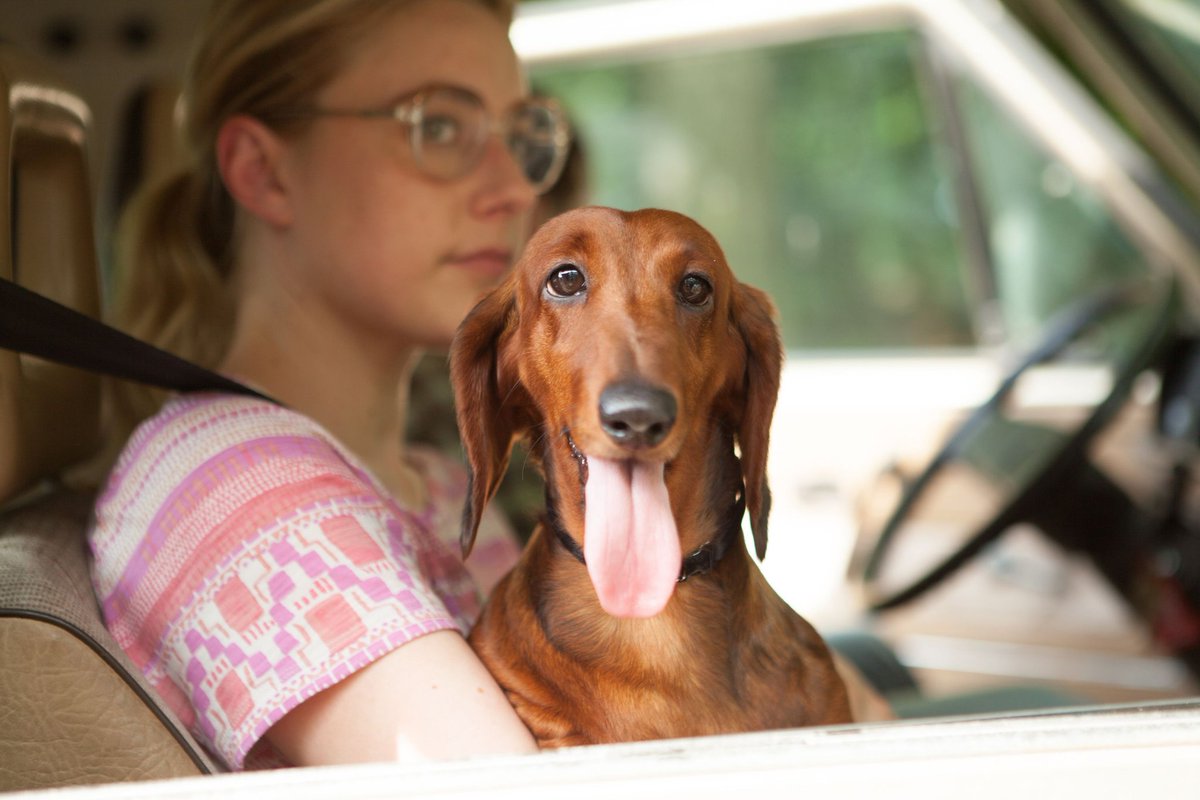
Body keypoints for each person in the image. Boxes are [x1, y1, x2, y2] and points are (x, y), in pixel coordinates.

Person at [88, 0, 571, 771]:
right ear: (264, 172)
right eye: (440, 127)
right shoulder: (234, 487)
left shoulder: (436, 483)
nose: (514, 189)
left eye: (520, 136)